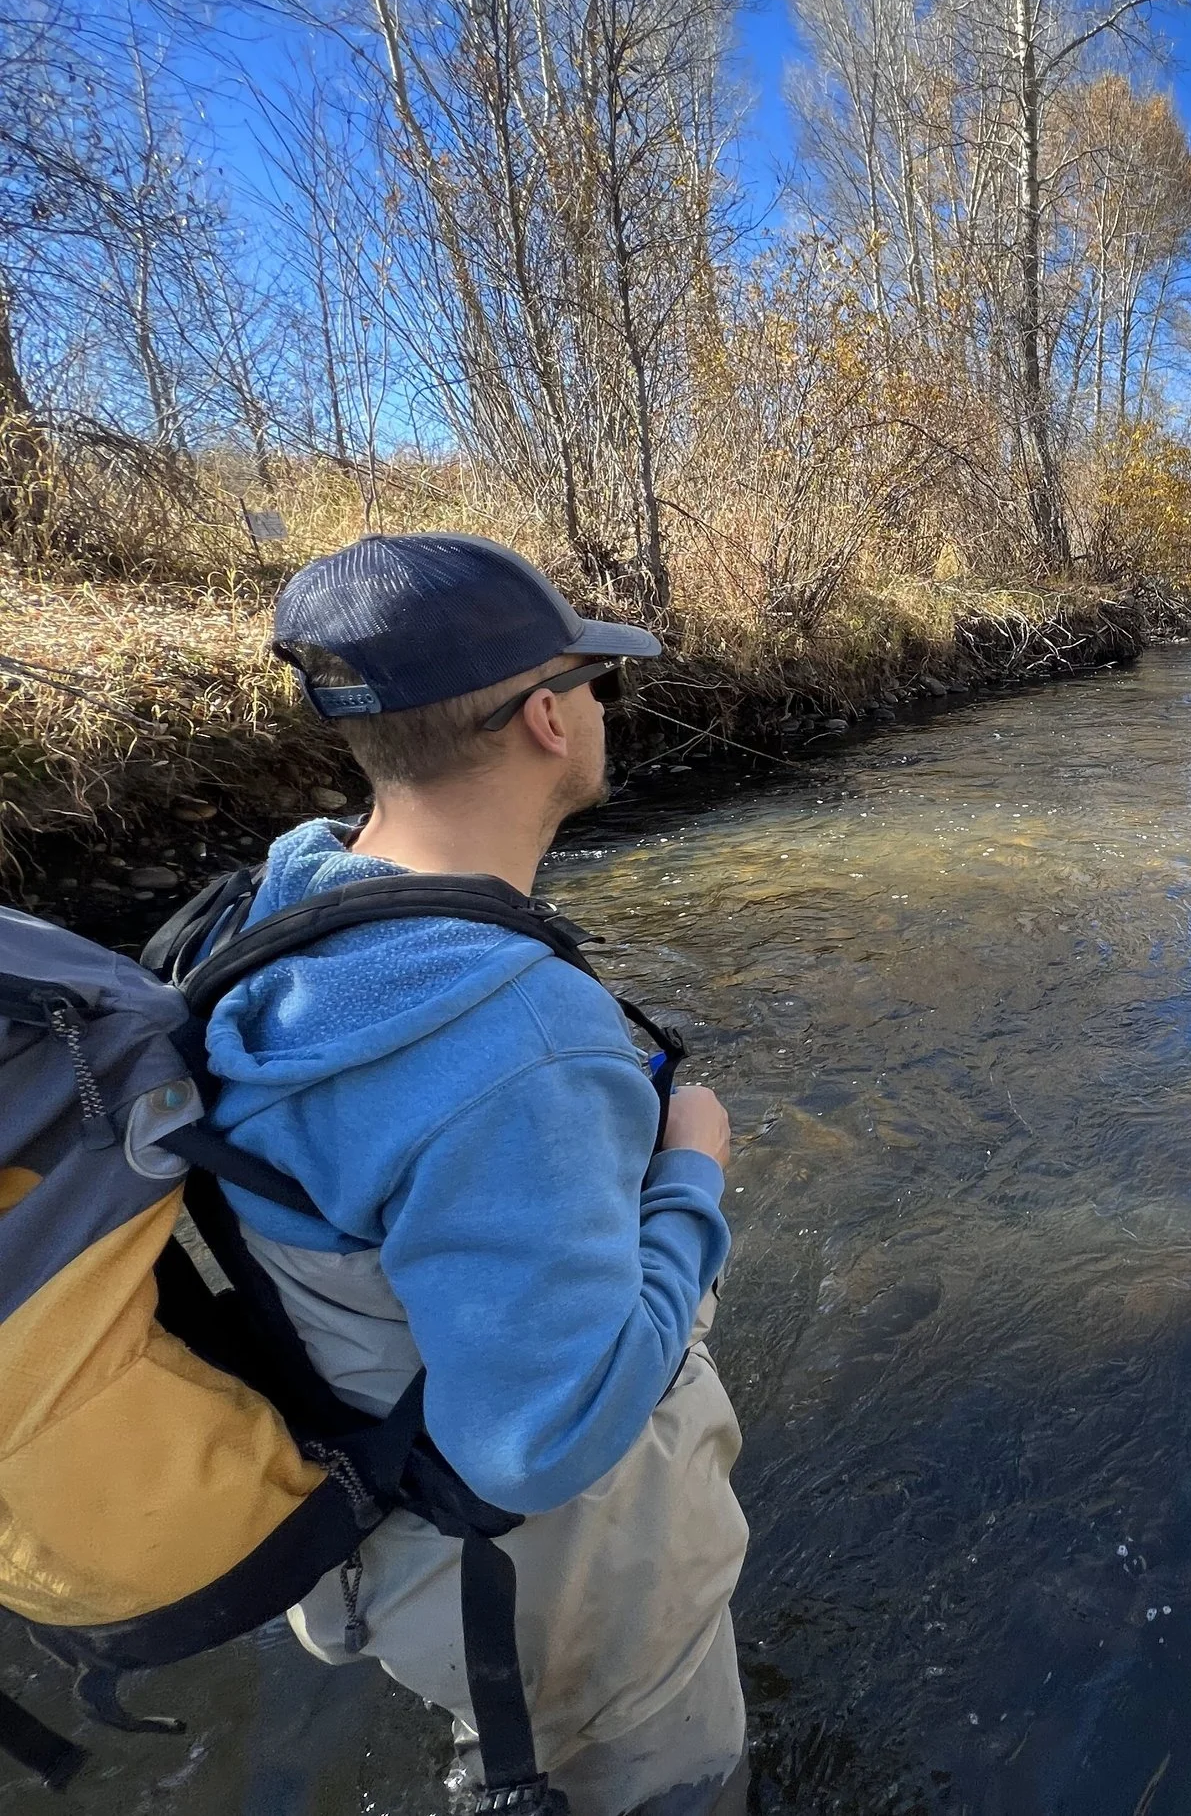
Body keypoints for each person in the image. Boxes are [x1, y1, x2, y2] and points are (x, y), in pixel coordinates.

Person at [200, 533, 748, 1815]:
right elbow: (540, 1439)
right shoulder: (512, 1042)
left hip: (396, 1546)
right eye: (594, 685)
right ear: (549, 718)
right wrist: (692, 1178)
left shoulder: (287, 897)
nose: (606, 710)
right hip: (553, 1584)